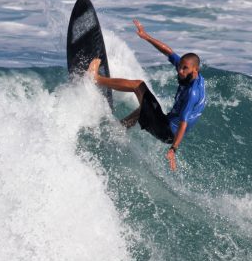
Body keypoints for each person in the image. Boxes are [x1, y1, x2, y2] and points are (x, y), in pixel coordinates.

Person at [88, 19, 206, 171]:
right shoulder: (190, 73)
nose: (180, 71)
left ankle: (96, 78)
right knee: (145, 106)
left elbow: (184, 122)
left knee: (139, 86)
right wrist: (146, 36)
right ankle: (118, 130)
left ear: (195, 70)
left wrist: (173, 149)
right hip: (166, 123)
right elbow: (169, 52)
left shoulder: (193, 92)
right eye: (180, 67)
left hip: (167, 132)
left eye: (185, 69)